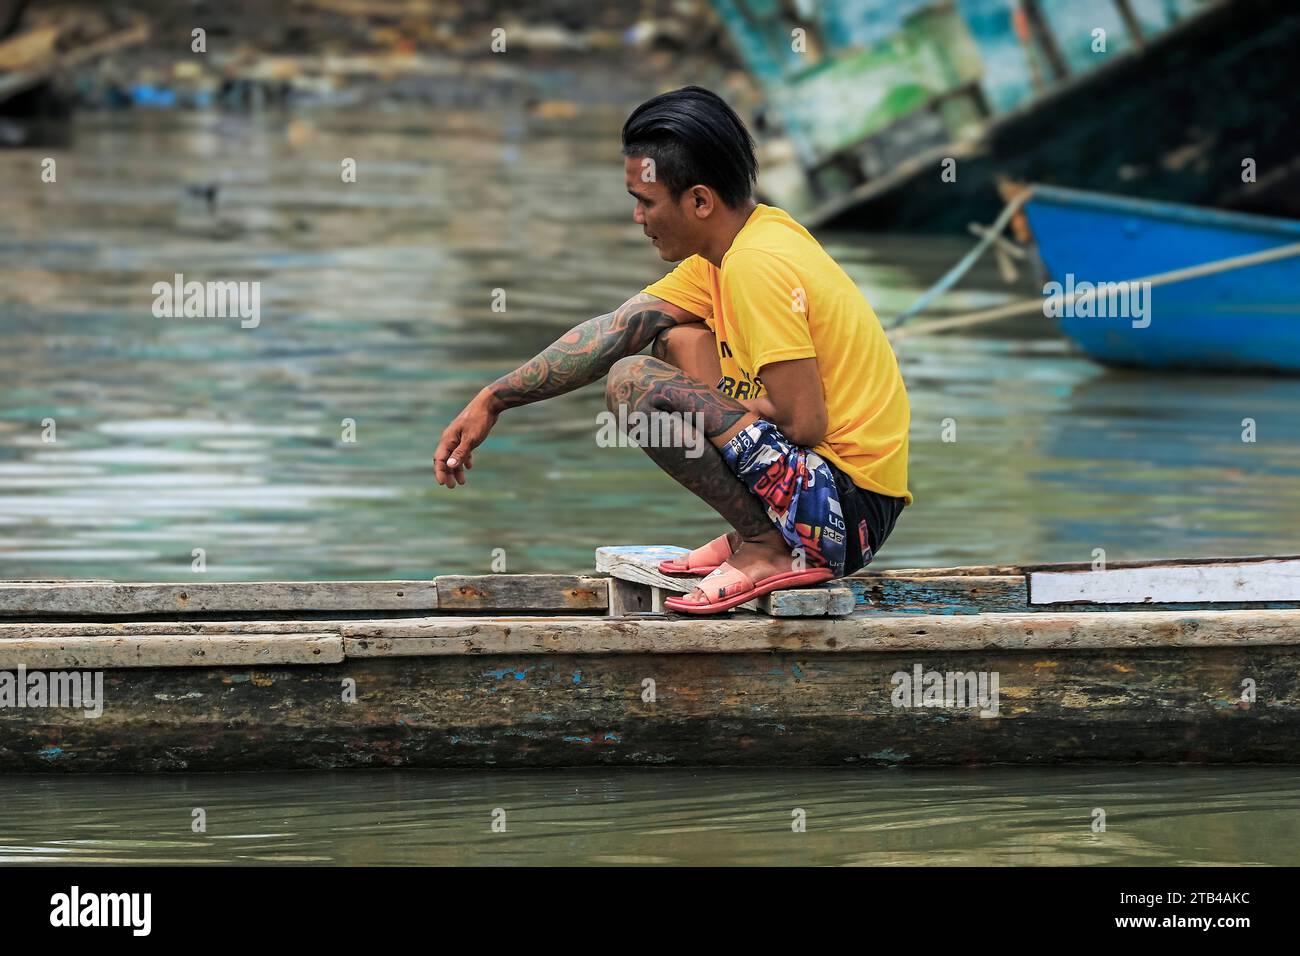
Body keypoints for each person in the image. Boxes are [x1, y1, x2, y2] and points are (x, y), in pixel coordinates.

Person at [434, 86, 910, 614]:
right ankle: (760, 534)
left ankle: (767, 545)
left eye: (645, 202)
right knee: (671, 344)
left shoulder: (758, 264)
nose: (638, 218)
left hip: (847, 513)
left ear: (700, 200)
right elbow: (616, 330)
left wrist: (706, 409)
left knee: (635, 382)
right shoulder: (729, 249)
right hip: (820, 492)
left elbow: (804, 424)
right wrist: (493, 398)